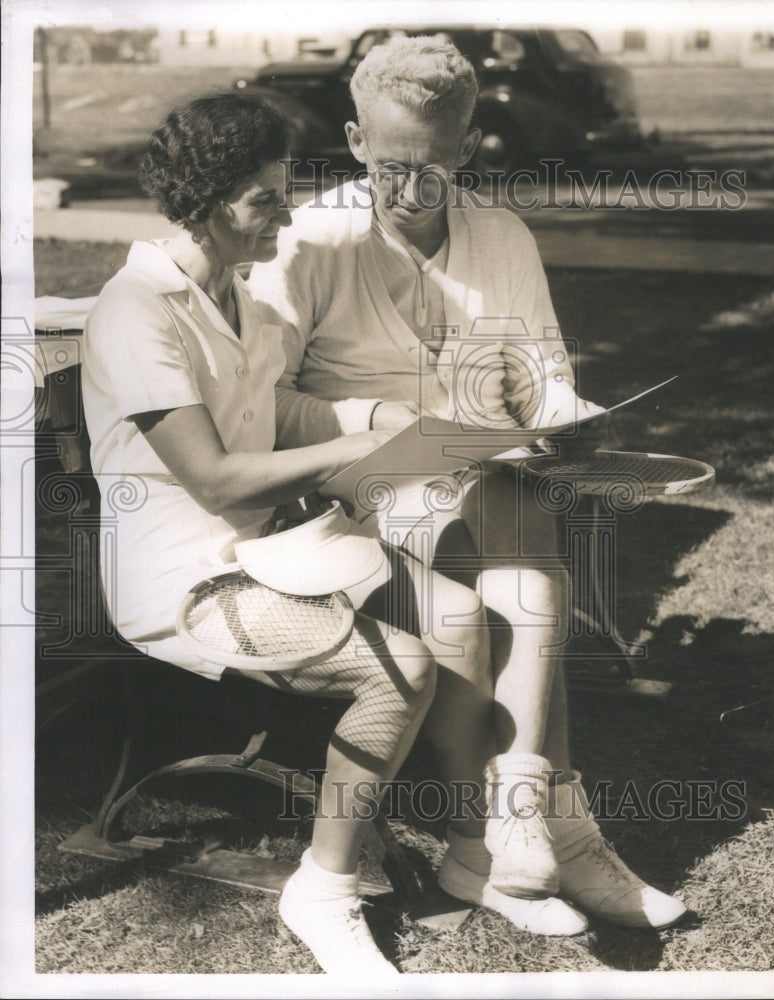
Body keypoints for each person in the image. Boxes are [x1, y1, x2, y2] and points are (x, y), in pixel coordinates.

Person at [81, 92, 579, 977]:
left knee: (459, 618)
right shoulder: (137, 308)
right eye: (264, 200)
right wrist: (357, 445)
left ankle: (478, 857)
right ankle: (324, 885)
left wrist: (378, 413)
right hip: (186, 581)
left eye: (284, 191)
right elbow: (212, 475)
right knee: (402, 670)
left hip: (276, 549)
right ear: (204, 200)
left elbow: (271, 404)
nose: (286, 214)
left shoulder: (231, 295)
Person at [248, 35, 687, 930]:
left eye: (433, 169)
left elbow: (543, 377)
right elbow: (263, 406)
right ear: (356, 138)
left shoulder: (503, 236)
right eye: (391, 166)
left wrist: (564, 417)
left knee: (513, 505)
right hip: (340, 489)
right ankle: (545, 835)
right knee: (506, 525)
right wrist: (382, 426)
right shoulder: (308, 241)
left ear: (469, 148)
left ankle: (513, 829)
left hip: (475, 479)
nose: (410, 191)